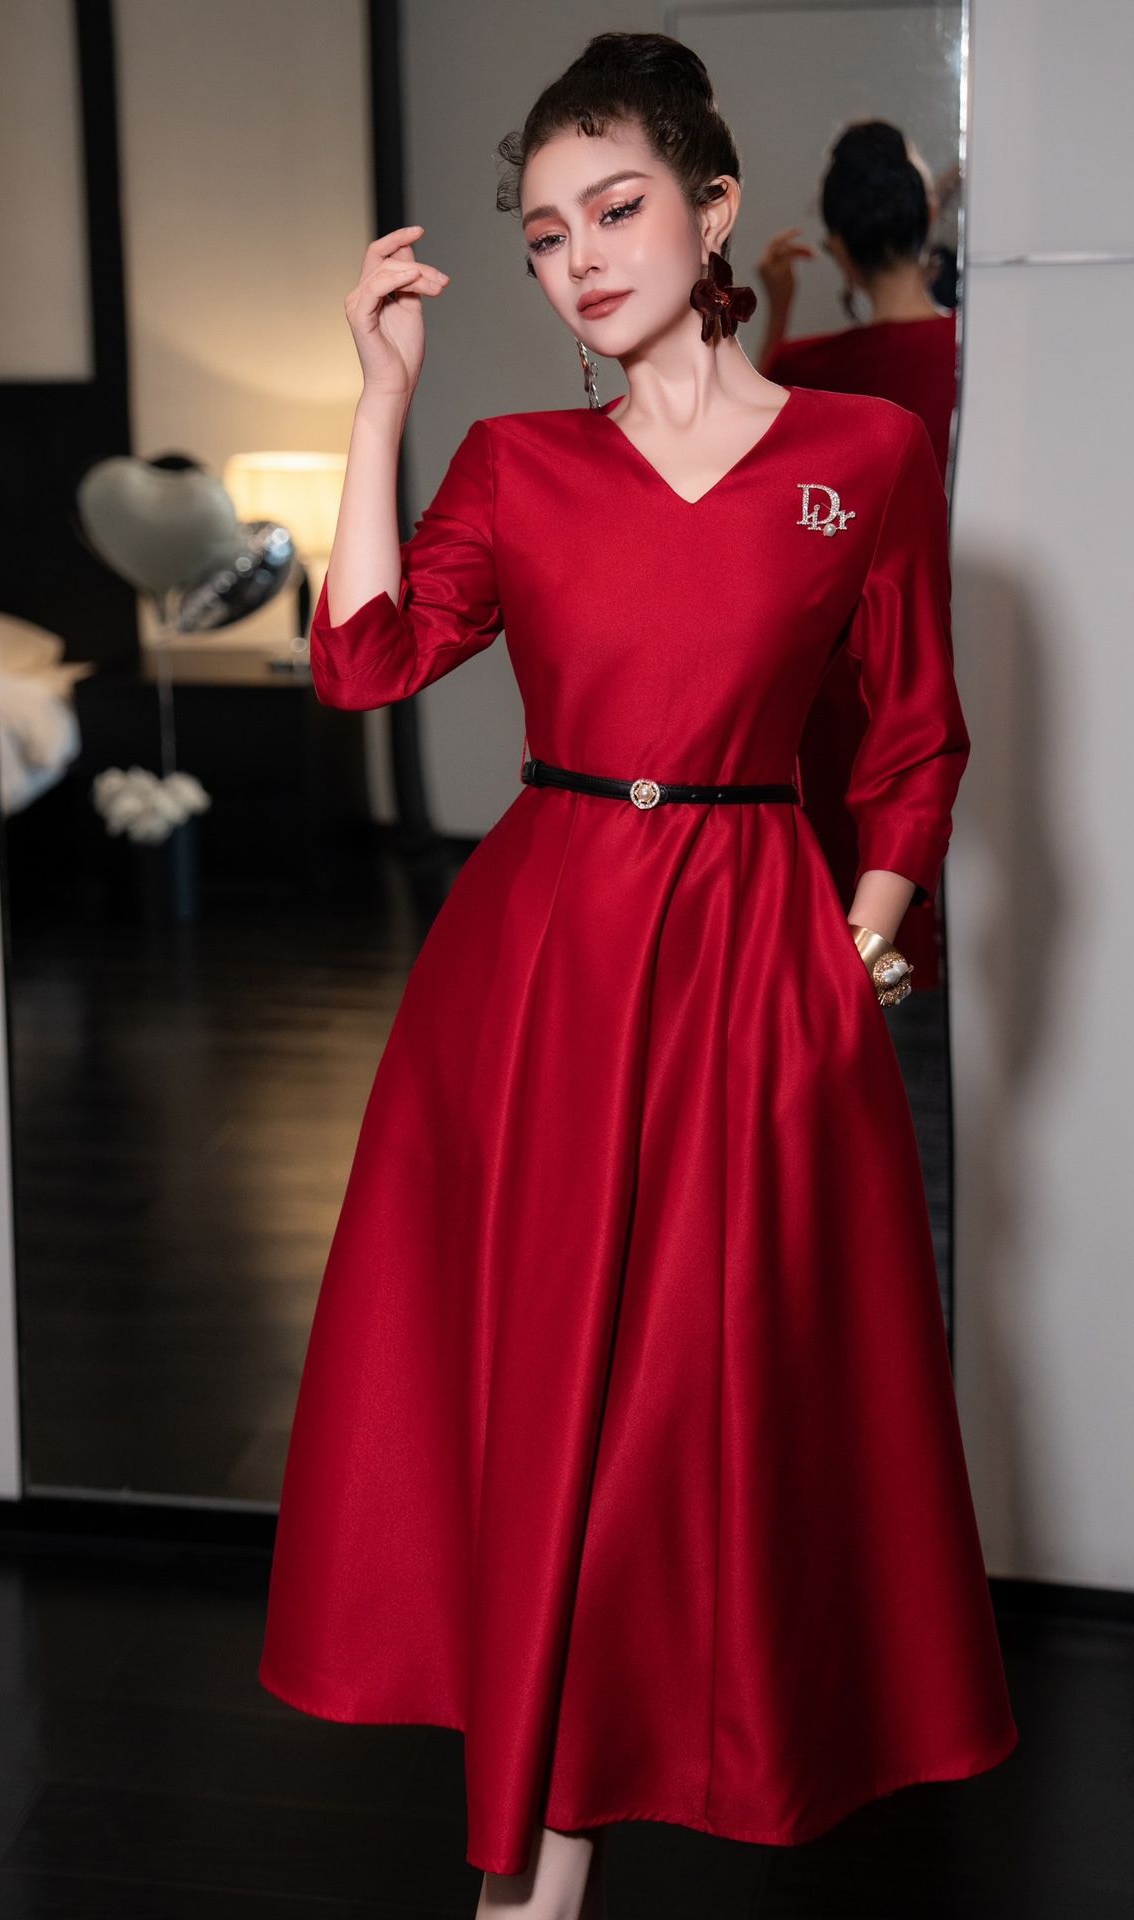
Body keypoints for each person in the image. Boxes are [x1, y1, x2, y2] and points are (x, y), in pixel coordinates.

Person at [260, 37, 1014, 1920]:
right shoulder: (517, 467)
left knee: (693, 1409)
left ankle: (590, 1823)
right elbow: (362, 665)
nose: (581, 258)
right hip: (539, 968)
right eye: (542, 234)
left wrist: (866, 935)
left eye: (615, 209)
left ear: (714, 209)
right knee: (551, 1409)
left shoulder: (865, 458)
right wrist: (379, 403)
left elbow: (916, 739)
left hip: (756, 958)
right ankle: (530, 1881)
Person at [757, 122, 960, 988]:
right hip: (952, 636)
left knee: (836, 890)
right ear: (926, 222)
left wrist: (777, 307)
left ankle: (858, 984)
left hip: (842, 669)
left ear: (837, 246)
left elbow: (755, 466)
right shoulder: (978, 355)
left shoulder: (805, 369)